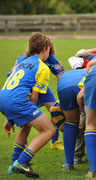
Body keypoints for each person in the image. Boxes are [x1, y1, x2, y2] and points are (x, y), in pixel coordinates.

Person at [1, 32, 56, 178]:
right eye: (49, 50)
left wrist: (10, 117)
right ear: (45, 48)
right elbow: (34, 96)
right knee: (49, 130)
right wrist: (29, 112)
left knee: (26, 125)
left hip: (4, 97)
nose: (49, 54)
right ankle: (22, 162)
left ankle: (14, 165)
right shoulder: (42, 67)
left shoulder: (22, 62)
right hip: (17, 101)